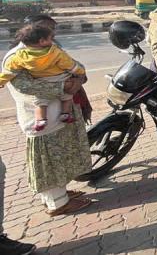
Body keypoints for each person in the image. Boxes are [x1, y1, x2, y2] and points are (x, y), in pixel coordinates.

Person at [3, 15, 91, 223]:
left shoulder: (49, 49)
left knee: (61, 157)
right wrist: (64, 86)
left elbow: (75, 66)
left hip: (61, 114)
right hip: (42, 120)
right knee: (49, 162)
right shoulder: (16, 57)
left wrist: (77, 80)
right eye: (48, 31)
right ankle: (58, 204)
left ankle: (61, 195)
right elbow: (25, 87)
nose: (53, 35)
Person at [0, 25, 86, 131]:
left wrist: (1, 81)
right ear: (42, 41)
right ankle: (65, 114)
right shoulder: (54, 52)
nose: (52, 40)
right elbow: (70, 65)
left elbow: (9, 73)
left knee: (40, 103)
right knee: (67, 97)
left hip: (41, 80)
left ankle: (40, 120)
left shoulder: (19, 56)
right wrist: (80, 73)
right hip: (60, 79)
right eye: (50, 38)